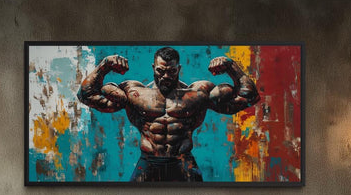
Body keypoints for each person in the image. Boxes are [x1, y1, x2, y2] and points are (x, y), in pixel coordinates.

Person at [77, 46, 259, 182]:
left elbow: (249, 96)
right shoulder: (135, 94)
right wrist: (105, 66)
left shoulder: (197, 94)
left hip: (184, 162)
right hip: (148, 162)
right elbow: (86, 95)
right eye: (160, 71)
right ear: (153, 68)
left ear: (179, 69)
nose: (165, 76)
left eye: (171, 71)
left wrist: (230, 66)